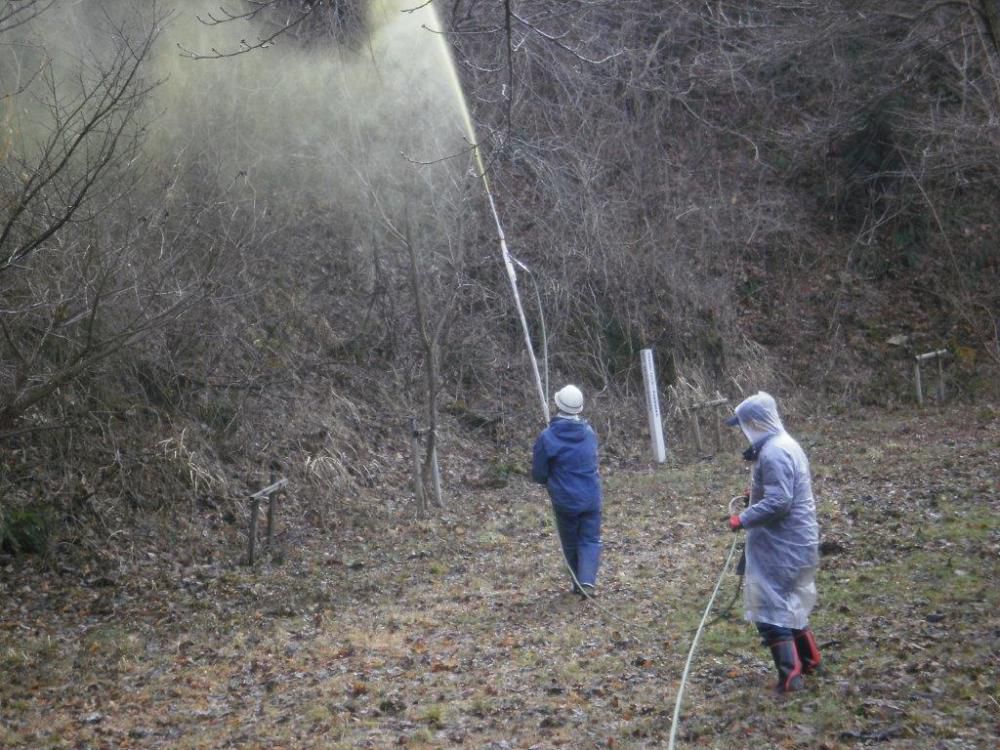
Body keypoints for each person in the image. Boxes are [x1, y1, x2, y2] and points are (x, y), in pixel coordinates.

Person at [725, 391, 821, 693]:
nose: (741, 431)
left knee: (770, 609)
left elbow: (780, 501)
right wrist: (754, 494)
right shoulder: (784, 445)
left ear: (755, 423)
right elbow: (779, 489)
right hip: (796, 540)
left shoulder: (774, 452)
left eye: (743, 425)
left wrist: (743, 518)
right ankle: (810, 661)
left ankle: (790, 676)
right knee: (788, 604)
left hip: (784, 543)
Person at [531, 384, 603, 598]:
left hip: (565, 501)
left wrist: (547, 480)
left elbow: (539, 472)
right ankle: (587, 581)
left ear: (557, 404)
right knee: (590, 539)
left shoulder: (547, 437)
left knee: (571, 541)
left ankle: (578, 584)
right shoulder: (589, 433)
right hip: (591, 497)